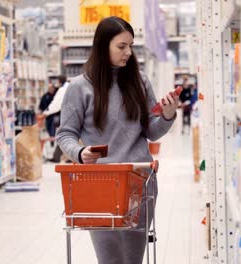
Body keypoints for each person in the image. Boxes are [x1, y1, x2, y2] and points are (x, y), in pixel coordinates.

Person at [56, 16, 179, 263]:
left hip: (139, 183)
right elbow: (65, 134)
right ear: (103, 46)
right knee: (110, 260)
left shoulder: (139, 81)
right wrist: (80, 154)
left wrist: (167, 115)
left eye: (131, 46)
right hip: (101, 184)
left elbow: (151, 131)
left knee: (133, 259)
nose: (128, 52)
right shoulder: (79, 87)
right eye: (121, 46)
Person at [43, 75, 68, 162]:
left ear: (59, 81)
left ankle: (61, 157)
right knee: (67, 136)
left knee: (65, 136)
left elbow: (56, 104)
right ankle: (61, 157)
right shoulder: (68, 87)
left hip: (69, 117)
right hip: (74, 116)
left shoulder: (62, 90)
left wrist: (45, 113)